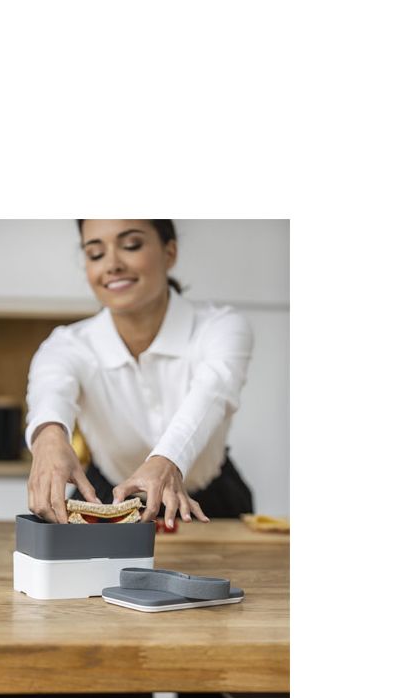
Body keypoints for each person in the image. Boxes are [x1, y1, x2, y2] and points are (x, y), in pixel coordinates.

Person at [26, 220, 255, 524]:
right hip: (107, 500)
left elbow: (213, 393)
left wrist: (167, 459)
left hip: (210, 502)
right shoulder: (67, 344)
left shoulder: (221, 327)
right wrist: (48, 437)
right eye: (95, 254)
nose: (112, 265)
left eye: (131, 245)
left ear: (169, 252)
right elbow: (50, 391)